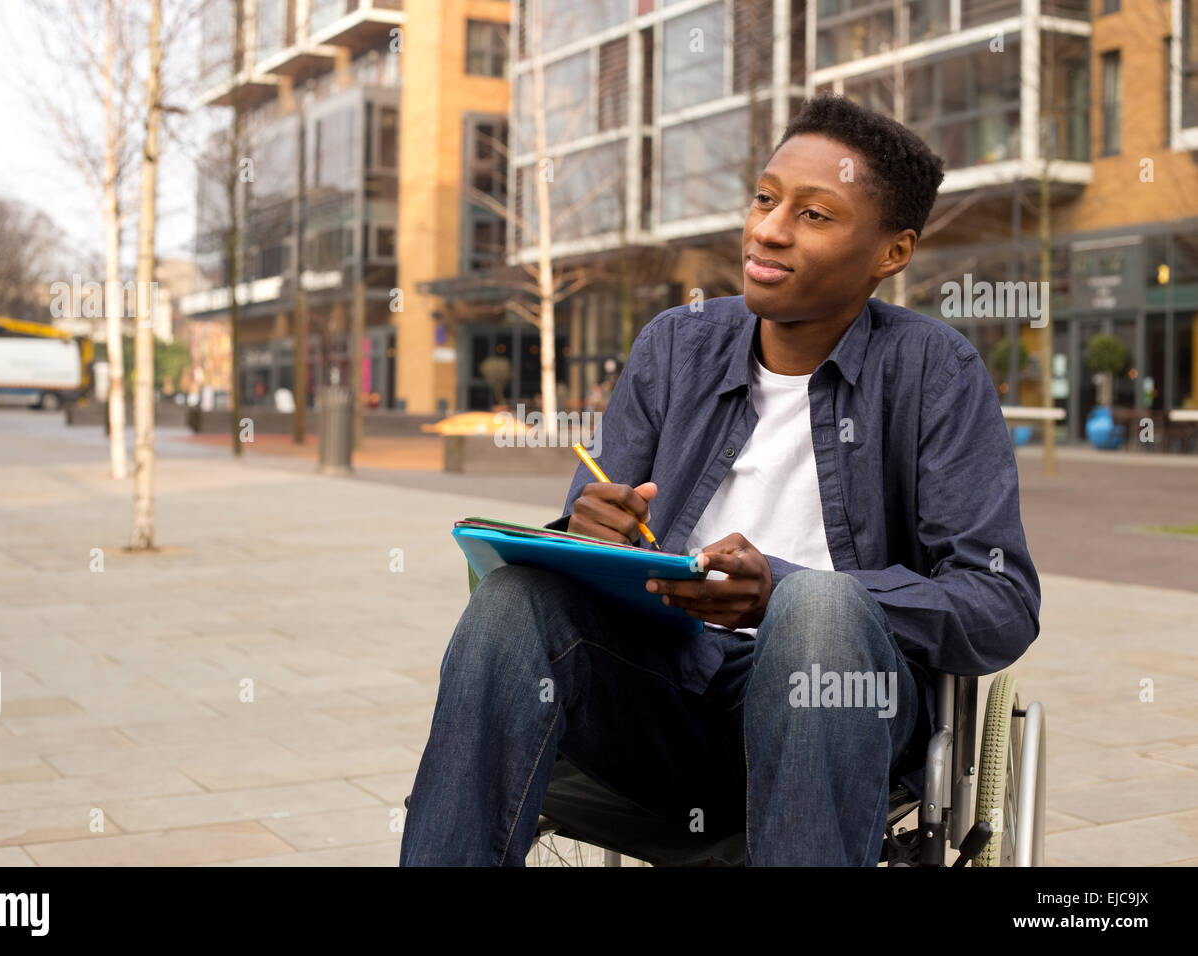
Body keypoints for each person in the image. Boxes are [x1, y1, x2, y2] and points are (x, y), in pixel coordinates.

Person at [400, 94, 1041, 866]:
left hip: (836, 706)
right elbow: (591, 518)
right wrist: (585, 529)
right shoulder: (676, 346)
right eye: (767, 199)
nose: (768, 229)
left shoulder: (936, 372)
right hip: (662, 696)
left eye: (815, 214)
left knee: (817, 609)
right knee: (514, 599)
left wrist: (784, 589)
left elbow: (999, 603)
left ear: (891, 253)